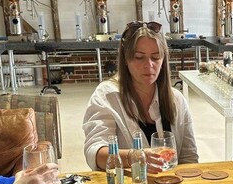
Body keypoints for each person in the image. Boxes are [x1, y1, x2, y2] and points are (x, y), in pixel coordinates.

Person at [83, 21, 198, 172]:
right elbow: (95, 152)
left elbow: (189, 157)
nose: (148, 65)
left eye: (155, 57)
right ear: (125, 59)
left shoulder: (176, 99)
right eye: (139, 57)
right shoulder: (107, 96)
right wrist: (134, 157)